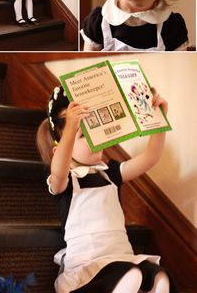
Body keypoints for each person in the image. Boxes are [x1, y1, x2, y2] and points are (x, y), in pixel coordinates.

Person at [36, 83, 178, 292]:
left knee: (160, 278)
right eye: (83, 136)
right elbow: (58, 170)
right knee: (131, 275)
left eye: (96, 132)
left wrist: (158, 120)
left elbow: (150, 158)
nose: (95, 141)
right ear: (60, 148)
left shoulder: (109, 172)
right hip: (89, 268)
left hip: (122, 258)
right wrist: (71, 129)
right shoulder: (63, 181)